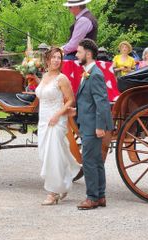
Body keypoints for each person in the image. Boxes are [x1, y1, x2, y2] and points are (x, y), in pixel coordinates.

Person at [35, 47, 80, 205]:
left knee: (52, 156)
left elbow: (70, 100)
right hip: (43, 120)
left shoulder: (62, 79)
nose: (56, 60)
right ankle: (65, 184)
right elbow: (42, 96)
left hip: (56, 119)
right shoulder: (45, 76)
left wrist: (58, 114)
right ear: (47, 60)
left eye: (59, 57)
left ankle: (52, 193)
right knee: (46, 154)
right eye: (53, 57)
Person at [73, 39, 114, 210]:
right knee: (97, 160)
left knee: (89, 161)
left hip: (92, 126)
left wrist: (99, 126)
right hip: (88, 123)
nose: (76, 55)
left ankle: (92, 198)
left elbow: (102, 103)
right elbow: (87, 101)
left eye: (79, 52)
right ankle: (101, 196)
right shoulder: (88, 72)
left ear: (88, 54)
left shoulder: (95, 74)